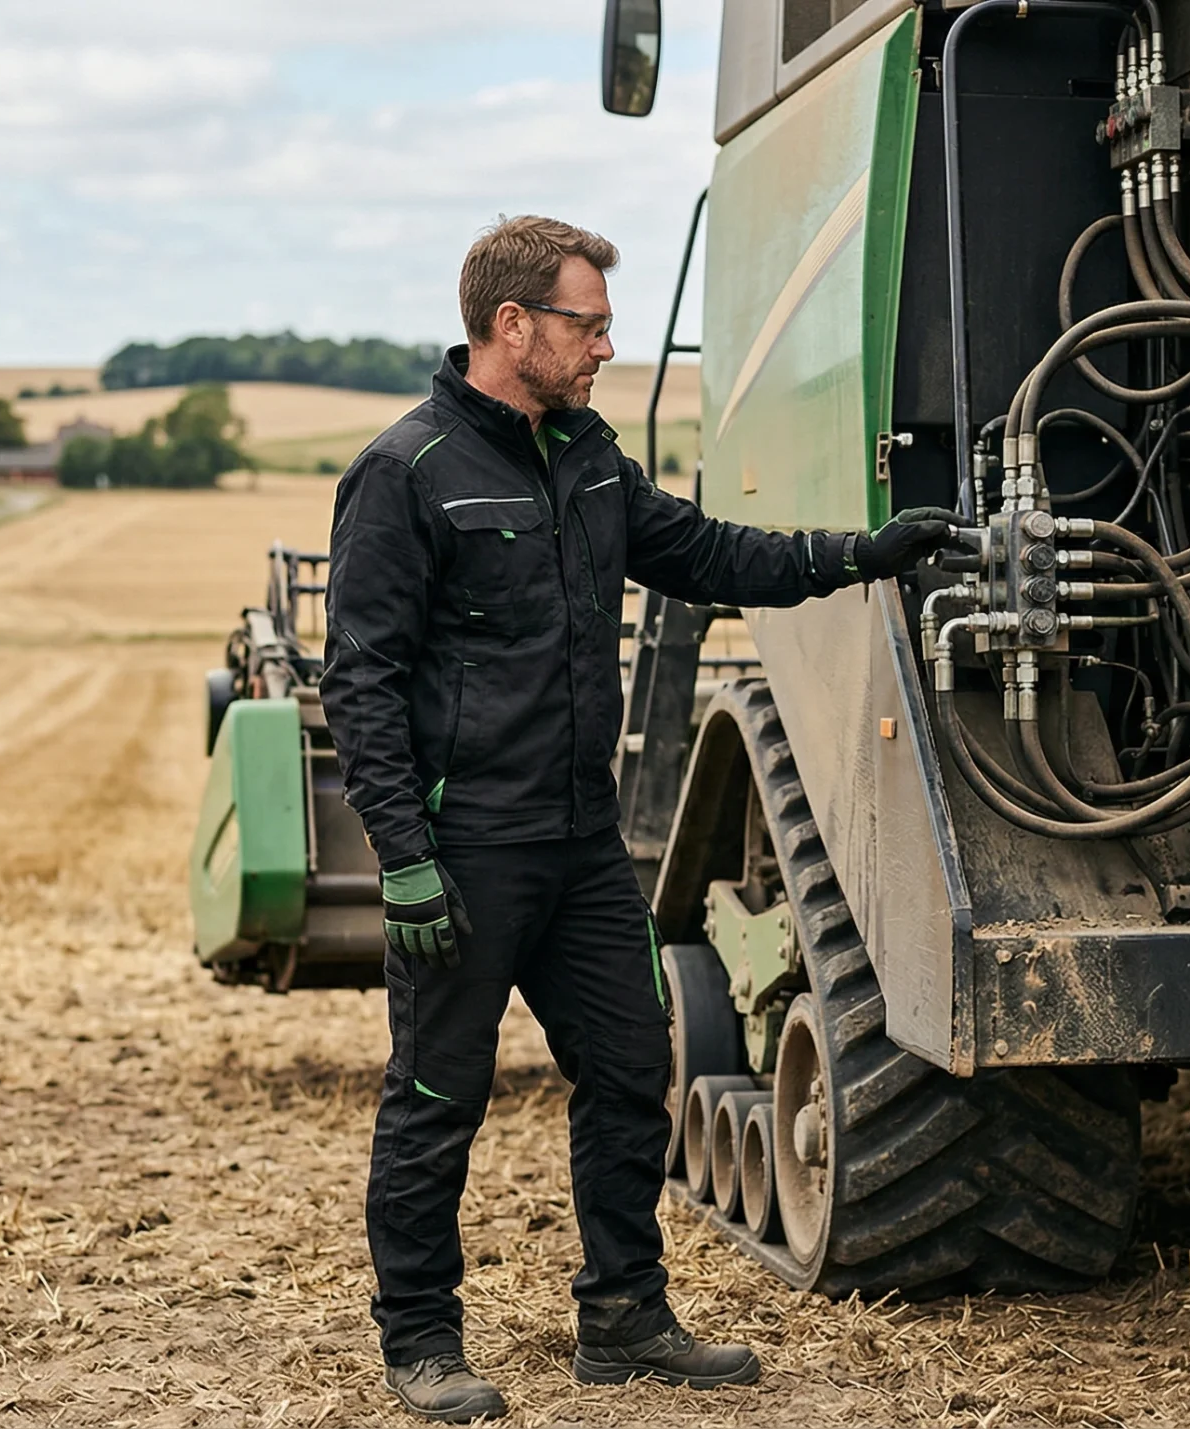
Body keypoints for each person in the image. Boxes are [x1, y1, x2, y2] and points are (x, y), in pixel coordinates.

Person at [321, 215, 956, 1424]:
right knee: (435, 1098)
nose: (607, 345)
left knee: (629, 1071)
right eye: (588, 323)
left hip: (577, 847)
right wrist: (402, 858)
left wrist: (861, 553)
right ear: (514, 326)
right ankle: (421, 1340)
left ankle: (621, 1315)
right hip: (461, 858)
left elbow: (713, 551)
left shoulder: (591, 464)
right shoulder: (406, 473)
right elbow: (359, 677)